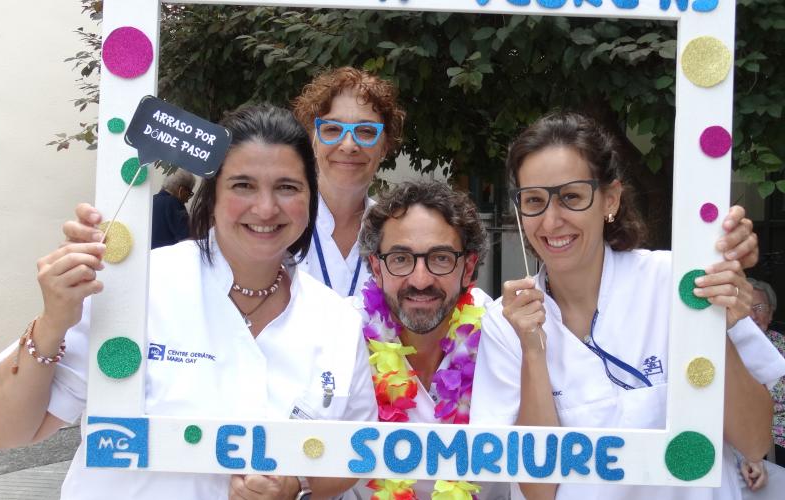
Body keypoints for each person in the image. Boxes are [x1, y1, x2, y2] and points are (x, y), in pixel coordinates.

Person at [0, 105, 377, 500]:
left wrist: (294, 485)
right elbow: (2, 430)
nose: (265, 208)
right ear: (214, 194)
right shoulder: (138, 290)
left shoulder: (336, 323)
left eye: (287, 187)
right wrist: (54, 320)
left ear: (310, 198)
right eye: (243, 185)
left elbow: (351, 456)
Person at [469, 111, 785, 500]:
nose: (551, 222)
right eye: (533, 201)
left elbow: (754, 442)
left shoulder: (678, 284)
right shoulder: (506, 325)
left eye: (571, 196)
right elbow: (537, 489)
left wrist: (710, 323)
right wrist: (533, 351)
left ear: (610, 200)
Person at [346, 180, 509, 499]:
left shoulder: (504, 335)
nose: (420, 280)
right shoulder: (340, 332)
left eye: (441, 258)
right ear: (377, 269)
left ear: (468, 267)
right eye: (401, 259)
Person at [292, 66, 406, 297]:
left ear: (384, 147)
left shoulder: (400, 232)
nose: (348, 145)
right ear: (312, 141)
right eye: (332, 129)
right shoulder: (280, 223)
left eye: (365, 131)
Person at [748, 278, 785, 467]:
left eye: (759, 307)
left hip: (780, 435)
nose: (752, 315)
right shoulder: (721, 349)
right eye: (744, 307)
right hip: (738, 435)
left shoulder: (782, 345)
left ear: (770, 314)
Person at [152, 168, 196, 249]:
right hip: (166, 258)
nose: (186, 201)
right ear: (181, 190)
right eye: (189, 194)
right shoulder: (174, 203)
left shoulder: (151, 201)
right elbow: (188, 240)